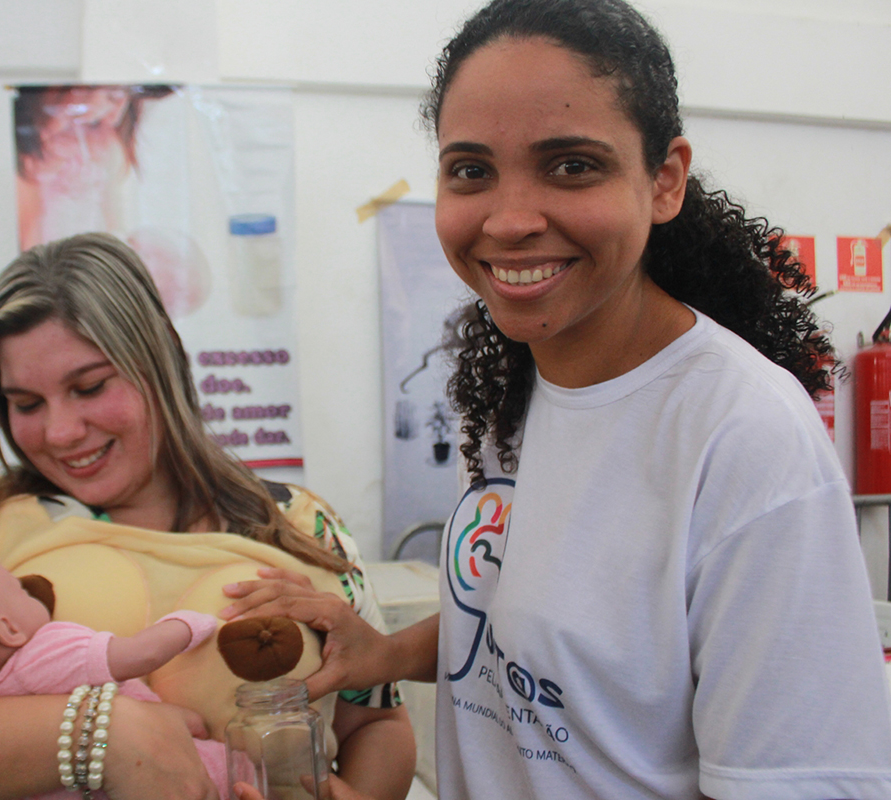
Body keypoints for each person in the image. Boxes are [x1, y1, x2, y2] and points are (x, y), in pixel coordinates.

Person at [221, 1, 891, 798]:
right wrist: (385, 653)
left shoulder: (743, 436)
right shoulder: (511, 381)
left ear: (664, 180)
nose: (508, 220)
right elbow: (543, 633)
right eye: (471, 169)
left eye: (571, 165)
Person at [0, 232, 415, 800]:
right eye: (25, 403)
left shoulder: (304, 529)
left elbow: (377, 724)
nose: (58, 431)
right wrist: (106, 734)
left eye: (90, 387)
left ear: (161, 364)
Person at [0, 532, 229, 799]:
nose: (29, 589)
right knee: (235, 768)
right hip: (172, 774)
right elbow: (138, 655)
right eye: (17, 589)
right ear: (9, 630)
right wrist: (188, 624)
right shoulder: (46, 653)